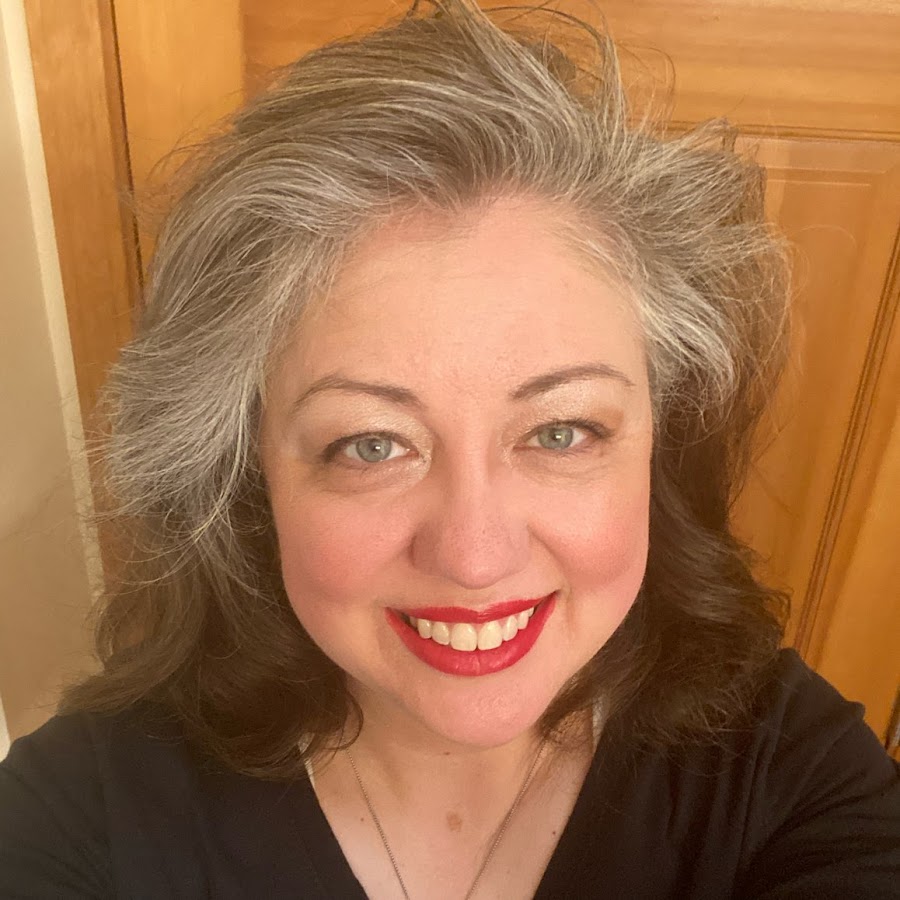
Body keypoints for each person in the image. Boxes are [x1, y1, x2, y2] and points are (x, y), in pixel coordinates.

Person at [1, 2, 897, 897]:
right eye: (371, 445)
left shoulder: (788, 776)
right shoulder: (83, 815)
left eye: (560, 431)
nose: (475, 556)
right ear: (245, 475)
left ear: (662, 439)